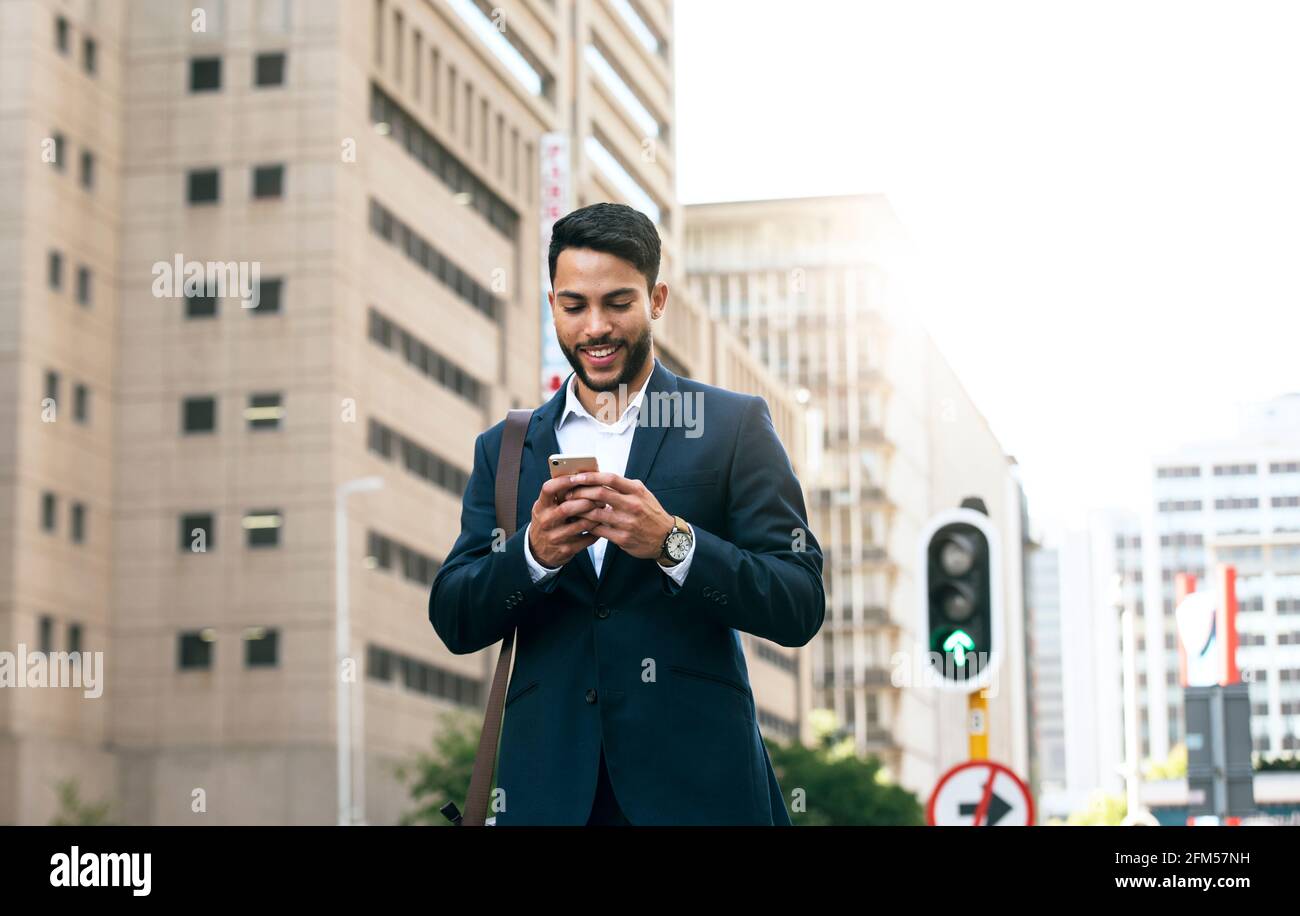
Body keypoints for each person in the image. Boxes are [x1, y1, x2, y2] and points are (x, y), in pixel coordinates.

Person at [429, 202, 824, 825]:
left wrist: (674, 543)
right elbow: (454, 616)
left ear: (656, 298)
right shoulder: (505, 447)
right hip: (550, 796)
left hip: (699, 791)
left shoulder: (731, 424)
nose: (595, 328)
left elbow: (799, 601)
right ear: (552, 304)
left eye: (618, 302)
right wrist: (532, 555)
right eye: (574, 305)